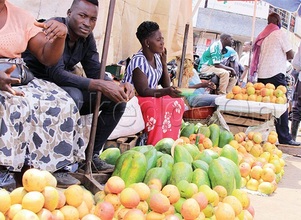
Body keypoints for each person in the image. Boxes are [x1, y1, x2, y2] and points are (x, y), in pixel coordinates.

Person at [23, 0, 134, 176]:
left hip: (61, 86)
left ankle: (90, 157)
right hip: (37, 86)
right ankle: (60, 163)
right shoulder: (55, 27)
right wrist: (100, 84)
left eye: (92, 19)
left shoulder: (86, 38)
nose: (87, 23)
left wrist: (117, 85)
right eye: (82, 16)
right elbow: (56, 73)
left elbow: (94, 69)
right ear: (69, 13)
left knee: (117, 101)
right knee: (74, 96)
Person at [0, 0, 87, 186]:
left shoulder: (20, 17)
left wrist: (60, 37)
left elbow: (47, 56)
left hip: (16, 77)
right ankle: (3, 170)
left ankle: (54, 166)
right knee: (8, 103)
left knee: (61, 101)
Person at [122, 21, 185, 146]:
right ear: (147, 43)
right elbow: (143, 91)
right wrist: (167, 91)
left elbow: (166, 85)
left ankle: (169, 143)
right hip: (134, 99)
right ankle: (155, 143)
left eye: (162, 39)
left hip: (151, 96)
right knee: (155, 107)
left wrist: (164, 62)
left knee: (177, 102)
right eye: (158, 40)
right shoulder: (139, 60)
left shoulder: (157, 57)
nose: (162, 42)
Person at [251, 12, 299, 146]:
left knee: (263, 106)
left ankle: (258, 135)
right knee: (281, 106)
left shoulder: (263, 36)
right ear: (279, 22)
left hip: (262, 75)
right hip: (276, 74)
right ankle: (285, 138)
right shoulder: (280, 33)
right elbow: (290, 54)